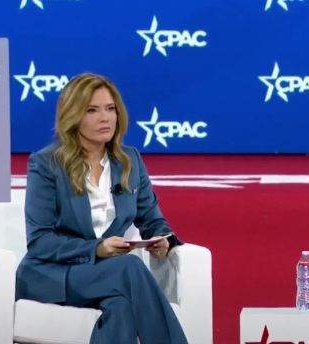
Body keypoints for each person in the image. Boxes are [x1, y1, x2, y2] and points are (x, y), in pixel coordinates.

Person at [15, 73, 190, 344]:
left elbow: (152, 219)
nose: (105, 118)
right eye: (92, 110)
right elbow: (39, 242)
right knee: (129, 268)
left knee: (121, 307)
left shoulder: (129, 160)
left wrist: (162, 239)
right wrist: (96, 249)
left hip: (108, 277)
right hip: (53, 274)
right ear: (73, 116)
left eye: (110, 109)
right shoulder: (46, 163)